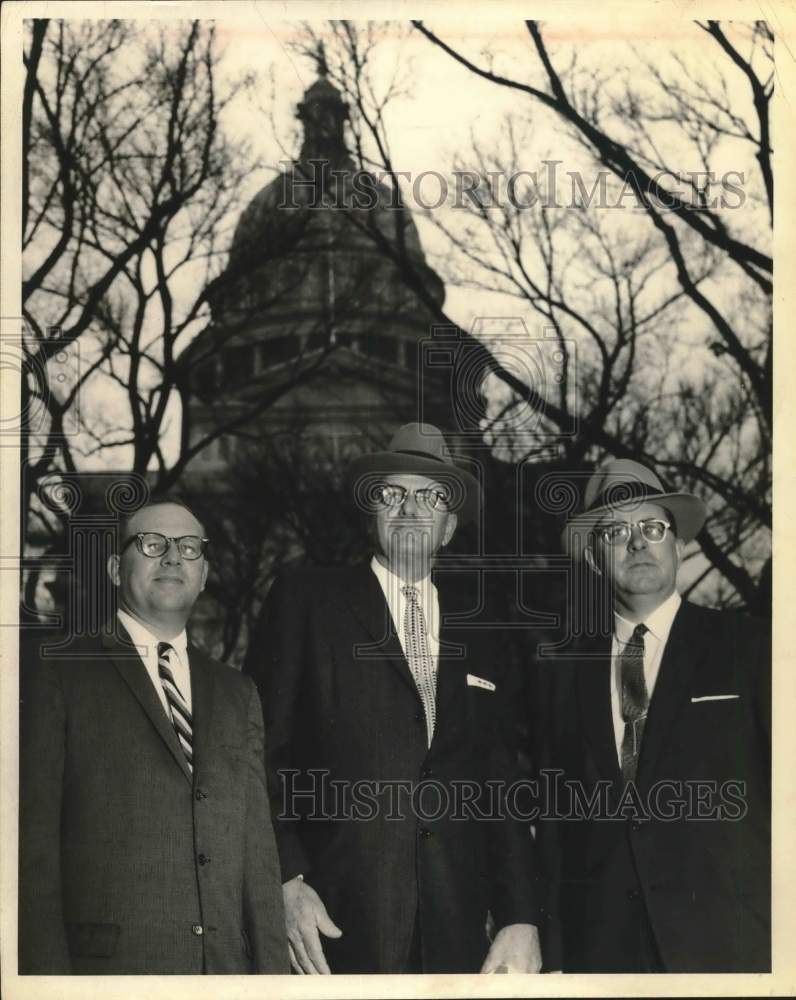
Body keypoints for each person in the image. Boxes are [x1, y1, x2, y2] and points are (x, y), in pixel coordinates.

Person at [245, 423, 541, 974]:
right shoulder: (307, 600)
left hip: (455, 930)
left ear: (449, 527)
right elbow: (255, 753)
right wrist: (284, 880)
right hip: (331, 923)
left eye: (431, 497)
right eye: (391, 493)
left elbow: (499, 780)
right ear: (370, 514)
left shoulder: (485, 627)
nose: (410, 509)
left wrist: (521, 915)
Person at [19, 497, 289, 974]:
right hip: (113, 974)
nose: (171, 557)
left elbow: (258, 858)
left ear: (204, 575)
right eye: (151, 543)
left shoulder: (237, 692)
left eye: (189, 547)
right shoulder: (58, 673)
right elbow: (31, 850)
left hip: (226, 975)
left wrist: (271, 982)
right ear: (114, 569)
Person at [537, 459, 770, 972]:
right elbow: (554, 825)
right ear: (596, 560)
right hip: (601, 952)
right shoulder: (562, 671)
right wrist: (554, 952)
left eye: (653, 527)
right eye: (616, 531)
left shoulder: (752, 648)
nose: (638, 542)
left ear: (680, 545)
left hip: (732, 946)